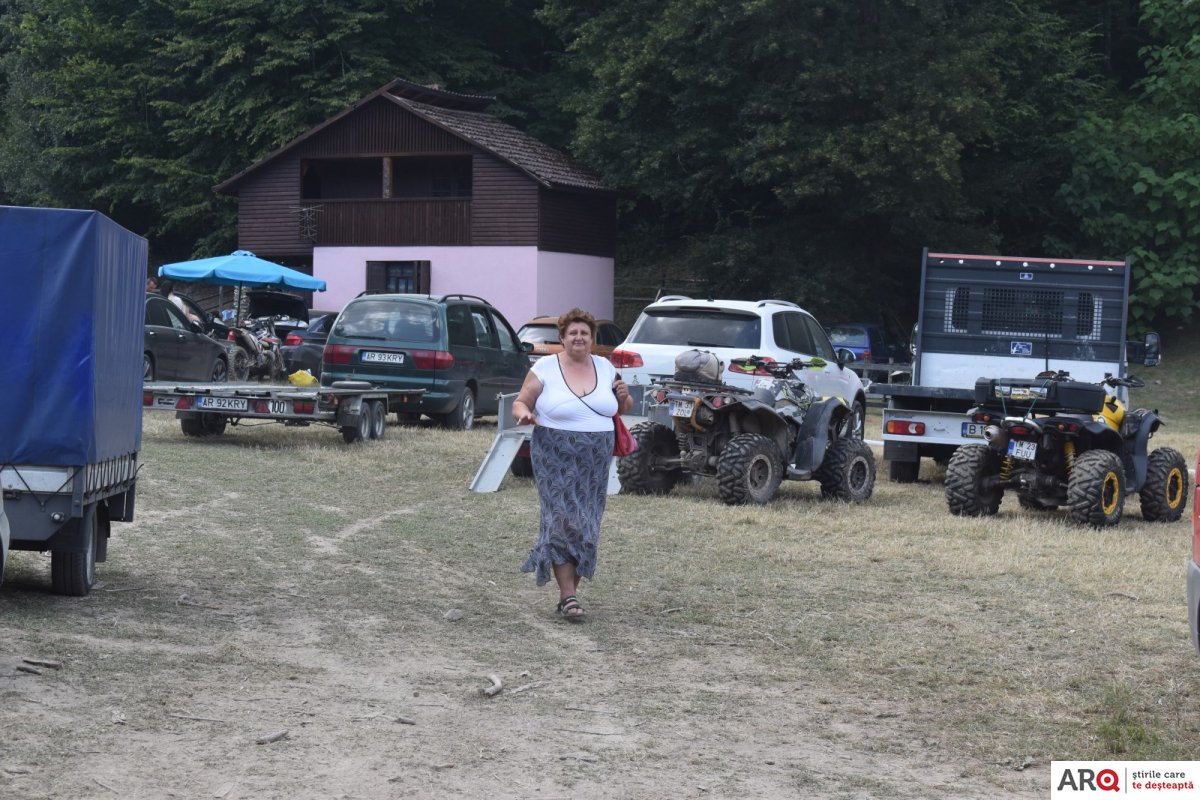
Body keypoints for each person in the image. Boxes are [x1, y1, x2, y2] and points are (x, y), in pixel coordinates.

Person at [513, 308, 632, 621]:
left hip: (596, 457)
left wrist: (624, 396)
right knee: (562, 518)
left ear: (592, 338)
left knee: (586, 521)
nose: (579, 338)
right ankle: (568, 596)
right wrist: (524, 414)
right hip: (555, 452)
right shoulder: (545, 367)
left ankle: (569, 594)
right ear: (563, 338)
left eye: (585, 333)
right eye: (573, 333)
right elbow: (520, 401)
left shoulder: (605, 367)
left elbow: (622, 407)